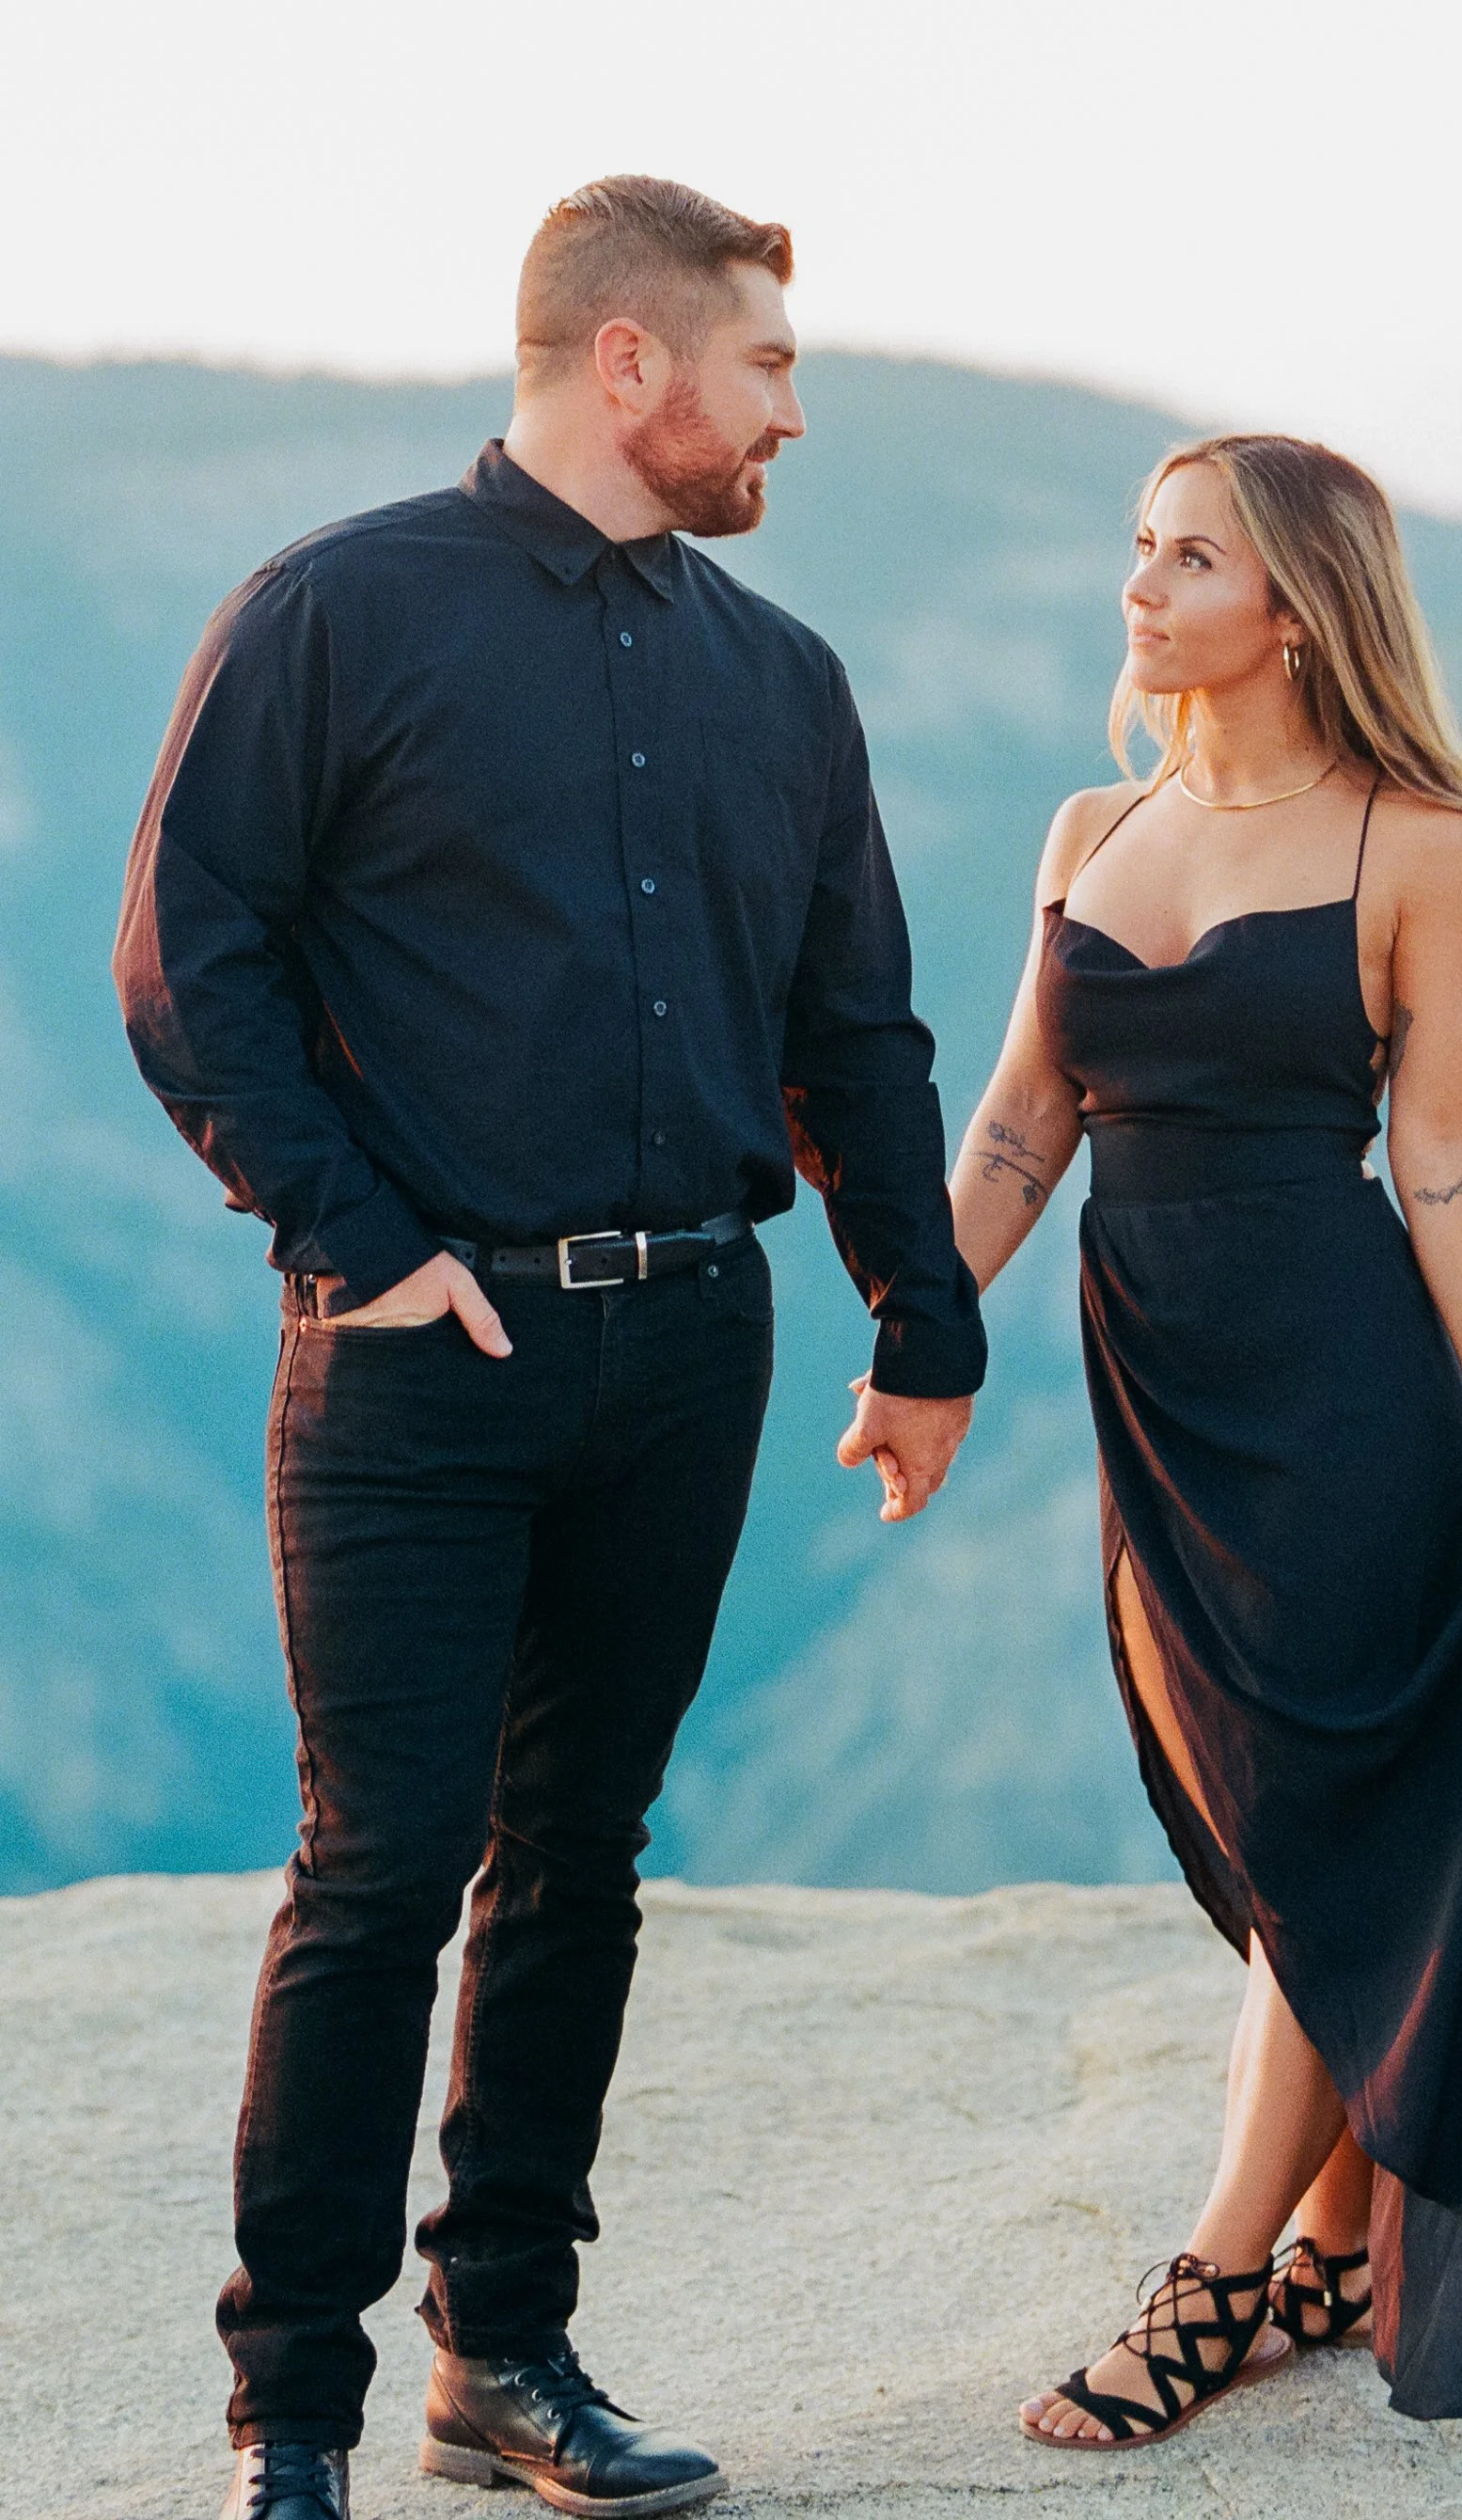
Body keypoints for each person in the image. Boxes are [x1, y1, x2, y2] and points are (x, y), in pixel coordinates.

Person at [114, 176, 984, 2520]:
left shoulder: (780, 679)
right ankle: (291, 2419)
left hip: (690, 1345)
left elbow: (854, 1028)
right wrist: (362, 1244)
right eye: (766, 365)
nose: (790, 412)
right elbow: (188, 957)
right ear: (629, 361)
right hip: (418, 1360)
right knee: (378, 1874)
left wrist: (921, 1315)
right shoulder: (337, 608)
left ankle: (501, 2357)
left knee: (578, 1859)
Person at [949, 433, 1462, 2445]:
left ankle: (1217, 2274)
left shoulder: (1421, 845)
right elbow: (1022, 1125)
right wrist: (919, 1334)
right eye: (1139, 548)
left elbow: (1446, 1155)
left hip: (1349, 1402)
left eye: (1190, 559)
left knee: (1327, 1829)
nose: (1141, 587)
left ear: (1298, 610)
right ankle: (1336, 2243)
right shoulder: (1095, 825)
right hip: (1158, 1392)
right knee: (1265, 1826)